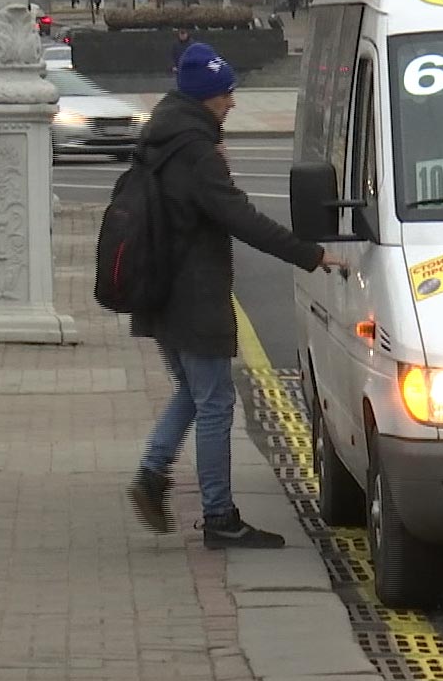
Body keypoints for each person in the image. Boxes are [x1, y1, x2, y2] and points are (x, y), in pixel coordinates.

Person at [128, 42, 346, 546]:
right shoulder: (196, 151)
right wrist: (308, 254)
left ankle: (151, 475)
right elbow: (240, 219)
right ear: (206, 96)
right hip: (193, 293)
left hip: (161, 288)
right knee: (215, 403)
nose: (233, 102)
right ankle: (219, 517)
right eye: (226, 93)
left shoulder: (165, 134)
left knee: (194, 391)